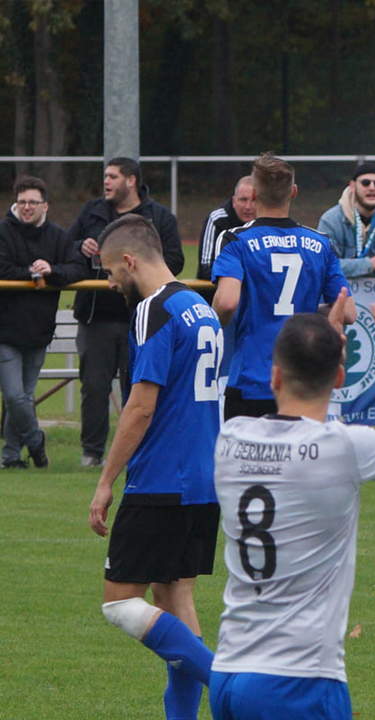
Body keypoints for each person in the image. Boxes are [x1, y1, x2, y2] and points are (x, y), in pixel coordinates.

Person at [209, 281, 375, 720]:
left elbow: (304, 431)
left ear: (274, 376)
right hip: (298, 679)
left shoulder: (231, 437)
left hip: (229, 671)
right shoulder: (343, 448)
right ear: (339, 376)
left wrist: (325, 338)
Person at [87, 214, 223, 720]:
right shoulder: (199, 308)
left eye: (108, 271)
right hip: (203, 479)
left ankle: (238, 690)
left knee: (120, 604)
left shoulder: (154, 310)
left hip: (162, 479)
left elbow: (140, 407)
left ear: (129, 261)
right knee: (175, 599)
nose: (108, 282)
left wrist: (105, 482)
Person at [212, 152, 352, 421]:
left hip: (251, 382)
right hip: (302, 380)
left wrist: (211, 323)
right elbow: (348, 313)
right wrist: (308, 306)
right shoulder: (320, 243)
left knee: (248, 462)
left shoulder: (236, 240)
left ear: (253, 194)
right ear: (294, 191)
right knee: (301, 461)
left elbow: (228, 303)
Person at [71, 157, 184, 467]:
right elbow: (66, 248)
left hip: (142, 318)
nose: (106, 181)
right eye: (105, 176)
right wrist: (81, 247)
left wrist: (136, 277)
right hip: (97, 317)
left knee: (137, 386)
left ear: (131, 180)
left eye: (113, 176)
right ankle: (92, 453)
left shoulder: (158, 217)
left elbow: (173, 260)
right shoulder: (92, 212)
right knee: (94, 386)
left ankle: (139, 449)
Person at [0, 176, 86, 468]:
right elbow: (3, 268)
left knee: (23, 396)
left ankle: (11, 456)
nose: (26, 207)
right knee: (14, 395)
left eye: (32, 202)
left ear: (45, 205)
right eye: (21, 201)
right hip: (5, 328)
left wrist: (53, 270)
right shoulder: (3, 232)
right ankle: (36, 442)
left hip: (39, 329)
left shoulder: (59, 237)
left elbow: (77, 268)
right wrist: (31, 273)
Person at [317, 161, 375, 279]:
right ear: (352, 186)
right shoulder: (331, 220)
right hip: (342, 295)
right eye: (365, 183)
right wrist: (370, 264)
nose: (372, 187)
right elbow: (325, 266)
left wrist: (351, 269)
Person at [197, 176, 256, 288]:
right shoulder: (217, 219)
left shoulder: (266, 222)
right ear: (234, 201)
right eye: (243, 200)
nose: (248, 207)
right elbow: (206, 266)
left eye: (253, 200)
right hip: (214, 293)